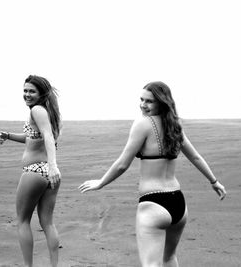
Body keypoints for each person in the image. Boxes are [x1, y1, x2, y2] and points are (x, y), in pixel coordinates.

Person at [78, 81, 226, 267]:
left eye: (149, 101)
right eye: (141, 99)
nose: (143, 105)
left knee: (151, 265)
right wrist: (214, 181)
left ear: (162, 103)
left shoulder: (143, 124)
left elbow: (123, 164)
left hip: (154, 204)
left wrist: (101, 182)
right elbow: (195, 157)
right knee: (169, 258)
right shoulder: (175, 125)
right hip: (178, 203)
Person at [0, 75, 62, 267]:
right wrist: (8, 135)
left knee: (23, 221)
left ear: (41, 93)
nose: (27, 94)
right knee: (47, 223)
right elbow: (32, 139)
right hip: (47, 173)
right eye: (25, 90)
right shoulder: (49, 112)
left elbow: (48, 137)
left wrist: (53, 165)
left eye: (31, 91)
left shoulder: (37, 110)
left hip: (36, 172)